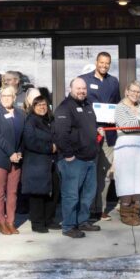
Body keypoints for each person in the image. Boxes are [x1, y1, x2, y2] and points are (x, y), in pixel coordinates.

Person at [52, 77, 100, 239]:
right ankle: (68, 226)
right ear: (70, 89)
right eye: (78, 88)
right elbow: (60, 134)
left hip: (89, 158)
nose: (82, 91)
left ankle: (82, 221)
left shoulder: (87, 105)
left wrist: (97, 130)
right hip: (73, 160)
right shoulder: (65, 108)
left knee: (88, 194)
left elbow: (87, 127)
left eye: (84, 88)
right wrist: (69, 155)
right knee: (71, 195)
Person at [80, 52, 121, 222]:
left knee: (104, 174)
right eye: (102, 62)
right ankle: (87, 209)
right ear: (96, 62)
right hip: (90, 134)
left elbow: (117, 105)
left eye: (107, 63)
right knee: (88, 173)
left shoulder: (113, 81)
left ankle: (101, 209)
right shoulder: (84, 80)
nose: (104, 65)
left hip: (109, 134)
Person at [113, 82, 140, 227]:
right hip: (126, 146)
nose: (136, 94)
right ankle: (126, 214)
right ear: (126, 91)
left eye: (139, 92)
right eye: (133, 91)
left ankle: (135, 213)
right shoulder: (120, 107)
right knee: (127, 180)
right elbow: (126, 126)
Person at [0, 85, 26, 235]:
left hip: (16, 158)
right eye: (3, 96)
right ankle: (1, 222)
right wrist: (11, 152)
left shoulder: (21, 114)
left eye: (9, 96)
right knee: (0, 192)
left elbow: (23, 136)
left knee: (13, 192)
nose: (6, 99)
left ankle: (10, 221)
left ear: (14, 98)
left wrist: (19, 152)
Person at [21, 95, 58, 233]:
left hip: (51, 163)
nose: (42, 107)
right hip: (36, 163)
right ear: (33, 107)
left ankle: (49, 220)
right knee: (37, 194)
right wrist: (50, 148)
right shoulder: (30, 121)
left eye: (44, 105)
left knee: (53, 192)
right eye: (38, 105)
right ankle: (37, 223)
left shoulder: (51, 120)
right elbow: (30, 141)